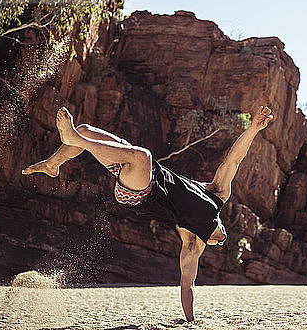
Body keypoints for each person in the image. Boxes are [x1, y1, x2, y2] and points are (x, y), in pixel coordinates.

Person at [22, 105, 275, 321]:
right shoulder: (217, 193)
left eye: (215, 243)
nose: (219, 240)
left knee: (142, 155)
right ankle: (54, 164)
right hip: (142, 172)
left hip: (138, 194)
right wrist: (253, 129)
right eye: (222, 236)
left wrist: (190, 320)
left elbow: (187, 284)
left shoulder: (191, 241)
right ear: (221, 224)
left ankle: (75, 139)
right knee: (88, 130)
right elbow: (234, 161)